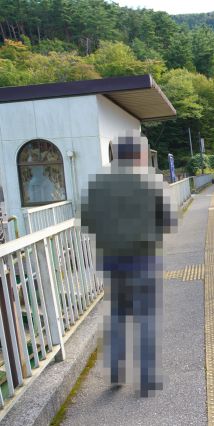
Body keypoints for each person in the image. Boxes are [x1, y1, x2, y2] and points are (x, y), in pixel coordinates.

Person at [80, 131, 175, 397]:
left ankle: (115, 372)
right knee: (146, 318)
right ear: (138, 154)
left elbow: (88, 222)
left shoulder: (97, 183)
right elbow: (168, 222)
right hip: (143, 259)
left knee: (117, 316)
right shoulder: (150, 182)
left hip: (111, 260)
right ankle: (146, 379)